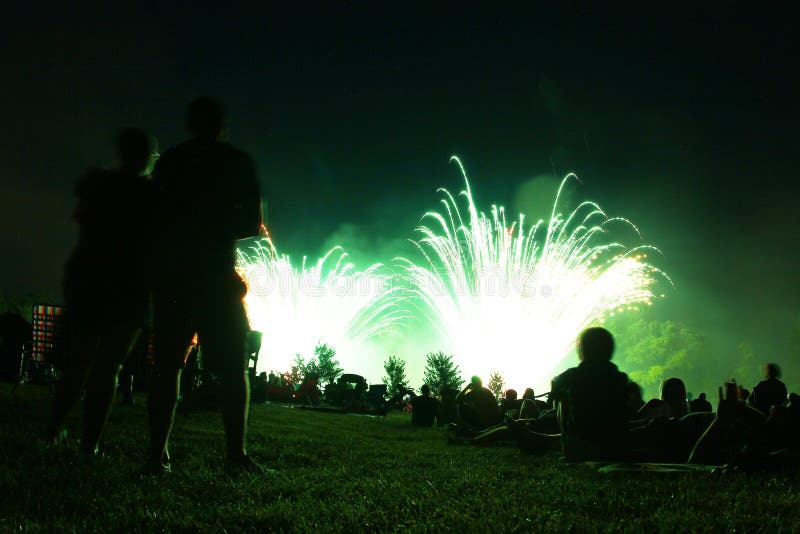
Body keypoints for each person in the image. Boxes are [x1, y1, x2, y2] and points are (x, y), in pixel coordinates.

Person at [148, 98, 263, 474]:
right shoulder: (236, 162)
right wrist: (216, 223)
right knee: (233, 368)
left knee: (167, 366)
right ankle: (235, 455)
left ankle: (156, 457)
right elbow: (251, 224)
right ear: (221, 126)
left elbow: (154, 217)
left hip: (175, 276)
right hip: (216, 276)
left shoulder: (171, 161)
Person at [46, 128, 157, 455]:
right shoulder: (151, 196)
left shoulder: (97, 184)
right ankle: (89, 444)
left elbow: (81, 219)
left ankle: (52, 431)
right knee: (108, 368)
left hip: (88, 279)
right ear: (148, 158)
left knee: (77, 362)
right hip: (128, 287)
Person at [550, 327, 629, 461]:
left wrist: (555, 385)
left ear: (582, 349)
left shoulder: (571, 375)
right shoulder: (621, 378)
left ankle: (567, 446)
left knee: (561, 397)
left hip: (581, 447)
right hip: (615, 448)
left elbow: (554, 392)